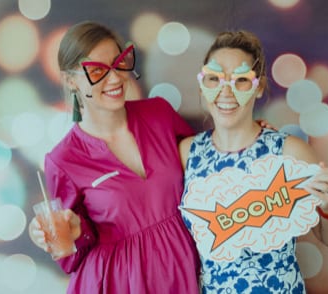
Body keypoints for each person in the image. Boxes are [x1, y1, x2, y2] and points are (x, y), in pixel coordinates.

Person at [28, 21, 201, 294]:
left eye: (119, 62)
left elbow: (206, 165)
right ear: (71, 80)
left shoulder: (160, 113)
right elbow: (70, 256)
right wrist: (71, 232)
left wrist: (252, 140)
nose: (115, 78)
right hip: (120, 283)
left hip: (182, 266)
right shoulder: (63, 160)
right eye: (97, 71)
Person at [178, 30, 328, 293]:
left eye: (241, 81)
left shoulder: (290, 153)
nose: (226, 92)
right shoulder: (187, 153)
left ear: (258, 87)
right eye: (214, 79)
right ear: (203, 84)